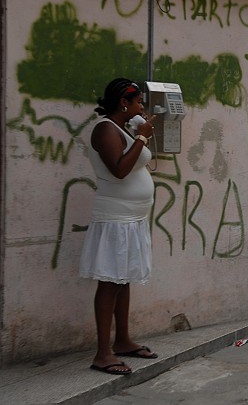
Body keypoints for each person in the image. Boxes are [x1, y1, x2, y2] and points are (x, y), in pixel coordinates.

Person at [80, 78, 158, 375]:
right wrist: (142, 138)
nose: (142, 108)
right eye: (139, 102)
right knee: (109, 282)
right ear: (124, 103)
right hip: (115, 219)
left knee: (122, 279)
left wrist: (138, 135)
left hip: (131, 218)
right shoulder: (104, 129)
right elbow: (120, 170)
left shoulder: (122, 129)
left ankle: (123, 340)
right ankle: (103, 353)